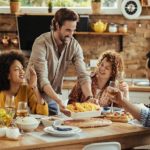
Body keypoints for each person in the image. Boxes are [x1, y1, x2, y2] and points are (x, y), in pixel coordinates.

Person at [26, 8, 94, 115]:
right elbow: (42, 79)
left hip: (51, 98)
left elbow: (83, 75)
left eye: (73, 30)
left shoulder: (74, 45)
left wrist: (89, 97)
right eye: (68, 30)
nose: (71, 34)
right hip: (32, 96)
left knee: (53, 127)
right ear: (57, 26)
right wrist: (58, 100)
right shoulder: (41, 43)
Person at [0, 50, 48, 115]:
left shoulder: (26, 89)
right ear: (7, 74)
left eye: (22, 69)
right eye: (17, 69)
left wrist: (35, 87)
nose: (22, 72)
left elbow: (43, 114)